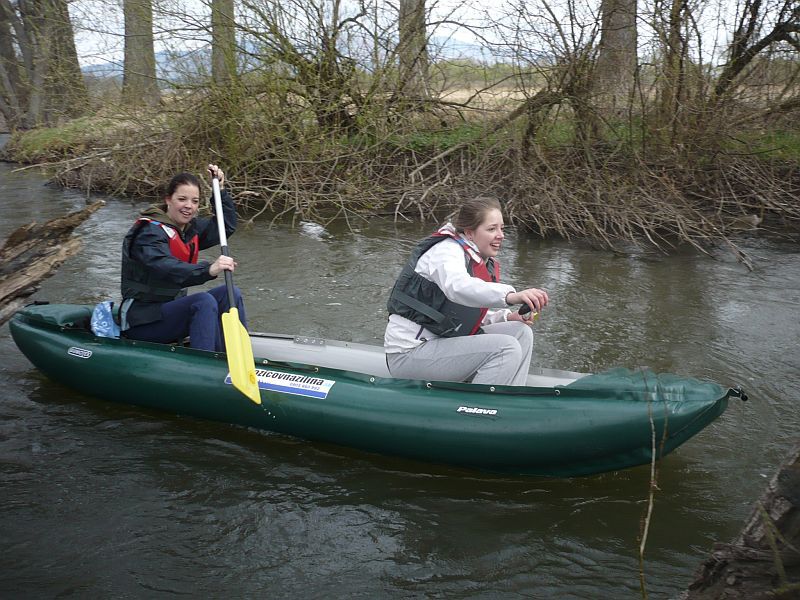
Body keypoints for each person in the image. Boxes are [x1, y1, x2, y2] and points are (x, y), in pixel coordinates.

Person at [385, 196, 549, 386]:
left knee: (521, 333)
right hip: (409, 354)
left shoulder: (477, 259)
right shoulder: (446, 251)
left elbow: (462, 315)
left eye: (501, 228)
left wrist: (506, 317)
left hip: (441, 343)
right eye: (491, 229)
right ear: (470, 233)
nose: (501, 235)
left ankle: (509, 399)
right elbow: (458, 288)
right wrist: (510, 296)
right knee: (506, 347)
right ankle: (478, 410)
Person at [119, 164, 246, 352]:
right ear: (168, 200)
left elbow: (225, 226)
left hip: (171, 312)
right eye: (182, 199)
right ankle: (203, 365)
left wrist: (220, 191)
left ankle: (237, 355)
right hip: (142, 321)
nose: (189, 206)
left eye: (194, 201)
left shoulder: (189, 230)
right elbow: (165, 266)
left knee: (231, 293)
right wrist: (208, 270)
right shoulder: (148, 234)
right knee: (202, 301)